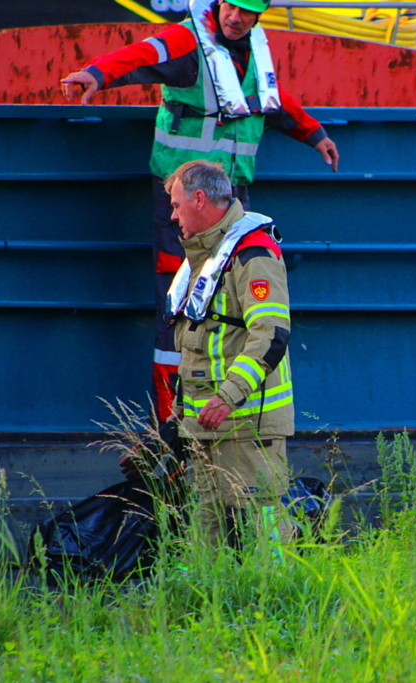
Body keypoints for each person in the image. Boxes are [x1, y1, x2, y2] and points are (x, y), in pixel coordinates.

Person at [60, 0, 339, 421]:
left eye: (247, 11)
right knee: (179, 309)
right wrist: (95, 75)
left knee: (229, 307)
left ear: (259, 15)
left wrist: (314, 134)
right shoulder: (187, 40)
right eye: (231, 7)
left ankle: (217, 414)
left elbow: (270, 99)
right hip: (185, 203)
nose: (236, 18)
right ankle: (170, 425)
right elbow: (141, 56)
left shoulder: (253, 49)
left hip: (232, 198)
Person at [164, 159, 295, 549]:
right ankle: (207, 588)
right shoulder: (207, 256)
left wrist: (227, 395)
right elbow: (199, 344)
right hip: (206, 424)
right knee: (206, 528)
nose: (172, 216)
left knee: (264, 523)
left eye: (176, 205)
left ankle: (283, 585)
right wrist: (178, 419)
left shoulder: (253, 255)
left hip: (247, 423)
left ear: (199, 199)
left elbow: (271, 335)